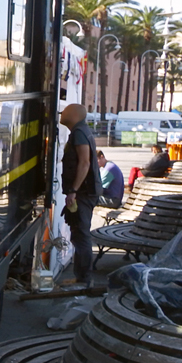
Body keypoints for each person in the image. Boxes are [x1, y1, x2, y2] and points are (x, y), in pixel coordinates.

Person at [60, 103, 102, 288]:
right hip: (86, 191)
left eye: (66, 110)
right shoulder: (81, 130)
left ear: (75, 114)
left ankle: (84, 279)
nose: (62, 112)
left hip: (84, 192)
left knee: (81, 234)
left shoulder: (79, 132)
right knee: (78, 233)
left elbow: (84, 163)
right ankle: (81, 277)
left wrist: (73, 190)